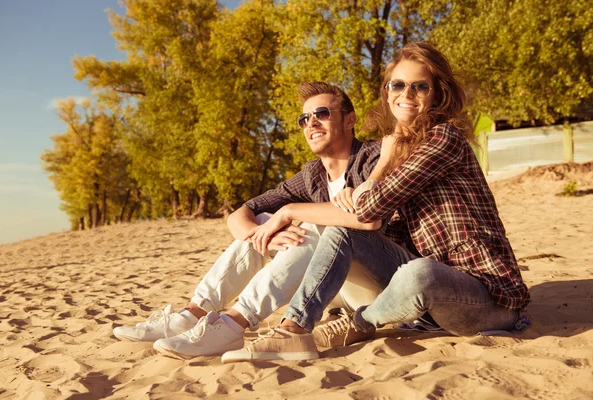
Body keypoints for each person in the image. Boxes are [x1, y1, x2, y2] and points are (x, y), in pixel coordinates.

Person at [221, 41, 531, 363]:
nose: (406, 95)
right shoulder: (400, 148)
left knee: (418, 273)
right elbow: (367, 219)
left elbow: (369, 209)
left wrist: (377, 169)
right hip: (430, 299)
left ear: (437, 93)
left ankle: (359, 322)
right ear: (387, 91)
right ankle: (293, 329)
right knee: (342, 232)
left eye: (419, 87)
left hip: (485, 296)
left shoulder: (444, 139)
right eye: (398, 85)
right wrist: (368, 182)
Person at [112, 81, 386, 359]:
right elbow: (241, 213)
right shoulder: (312, 174)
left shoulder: (374, 158)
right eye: (305, 118)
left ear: (349, 119)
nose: (312, 123)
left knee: (315, 225)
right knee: (265, 220)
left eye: (322, 113)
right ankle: (193, 313)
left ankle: (233, 323)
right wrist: (262, 232)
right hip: (332, 290)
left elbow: (366, 217)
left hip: (380, 288)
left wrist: (290, 212)